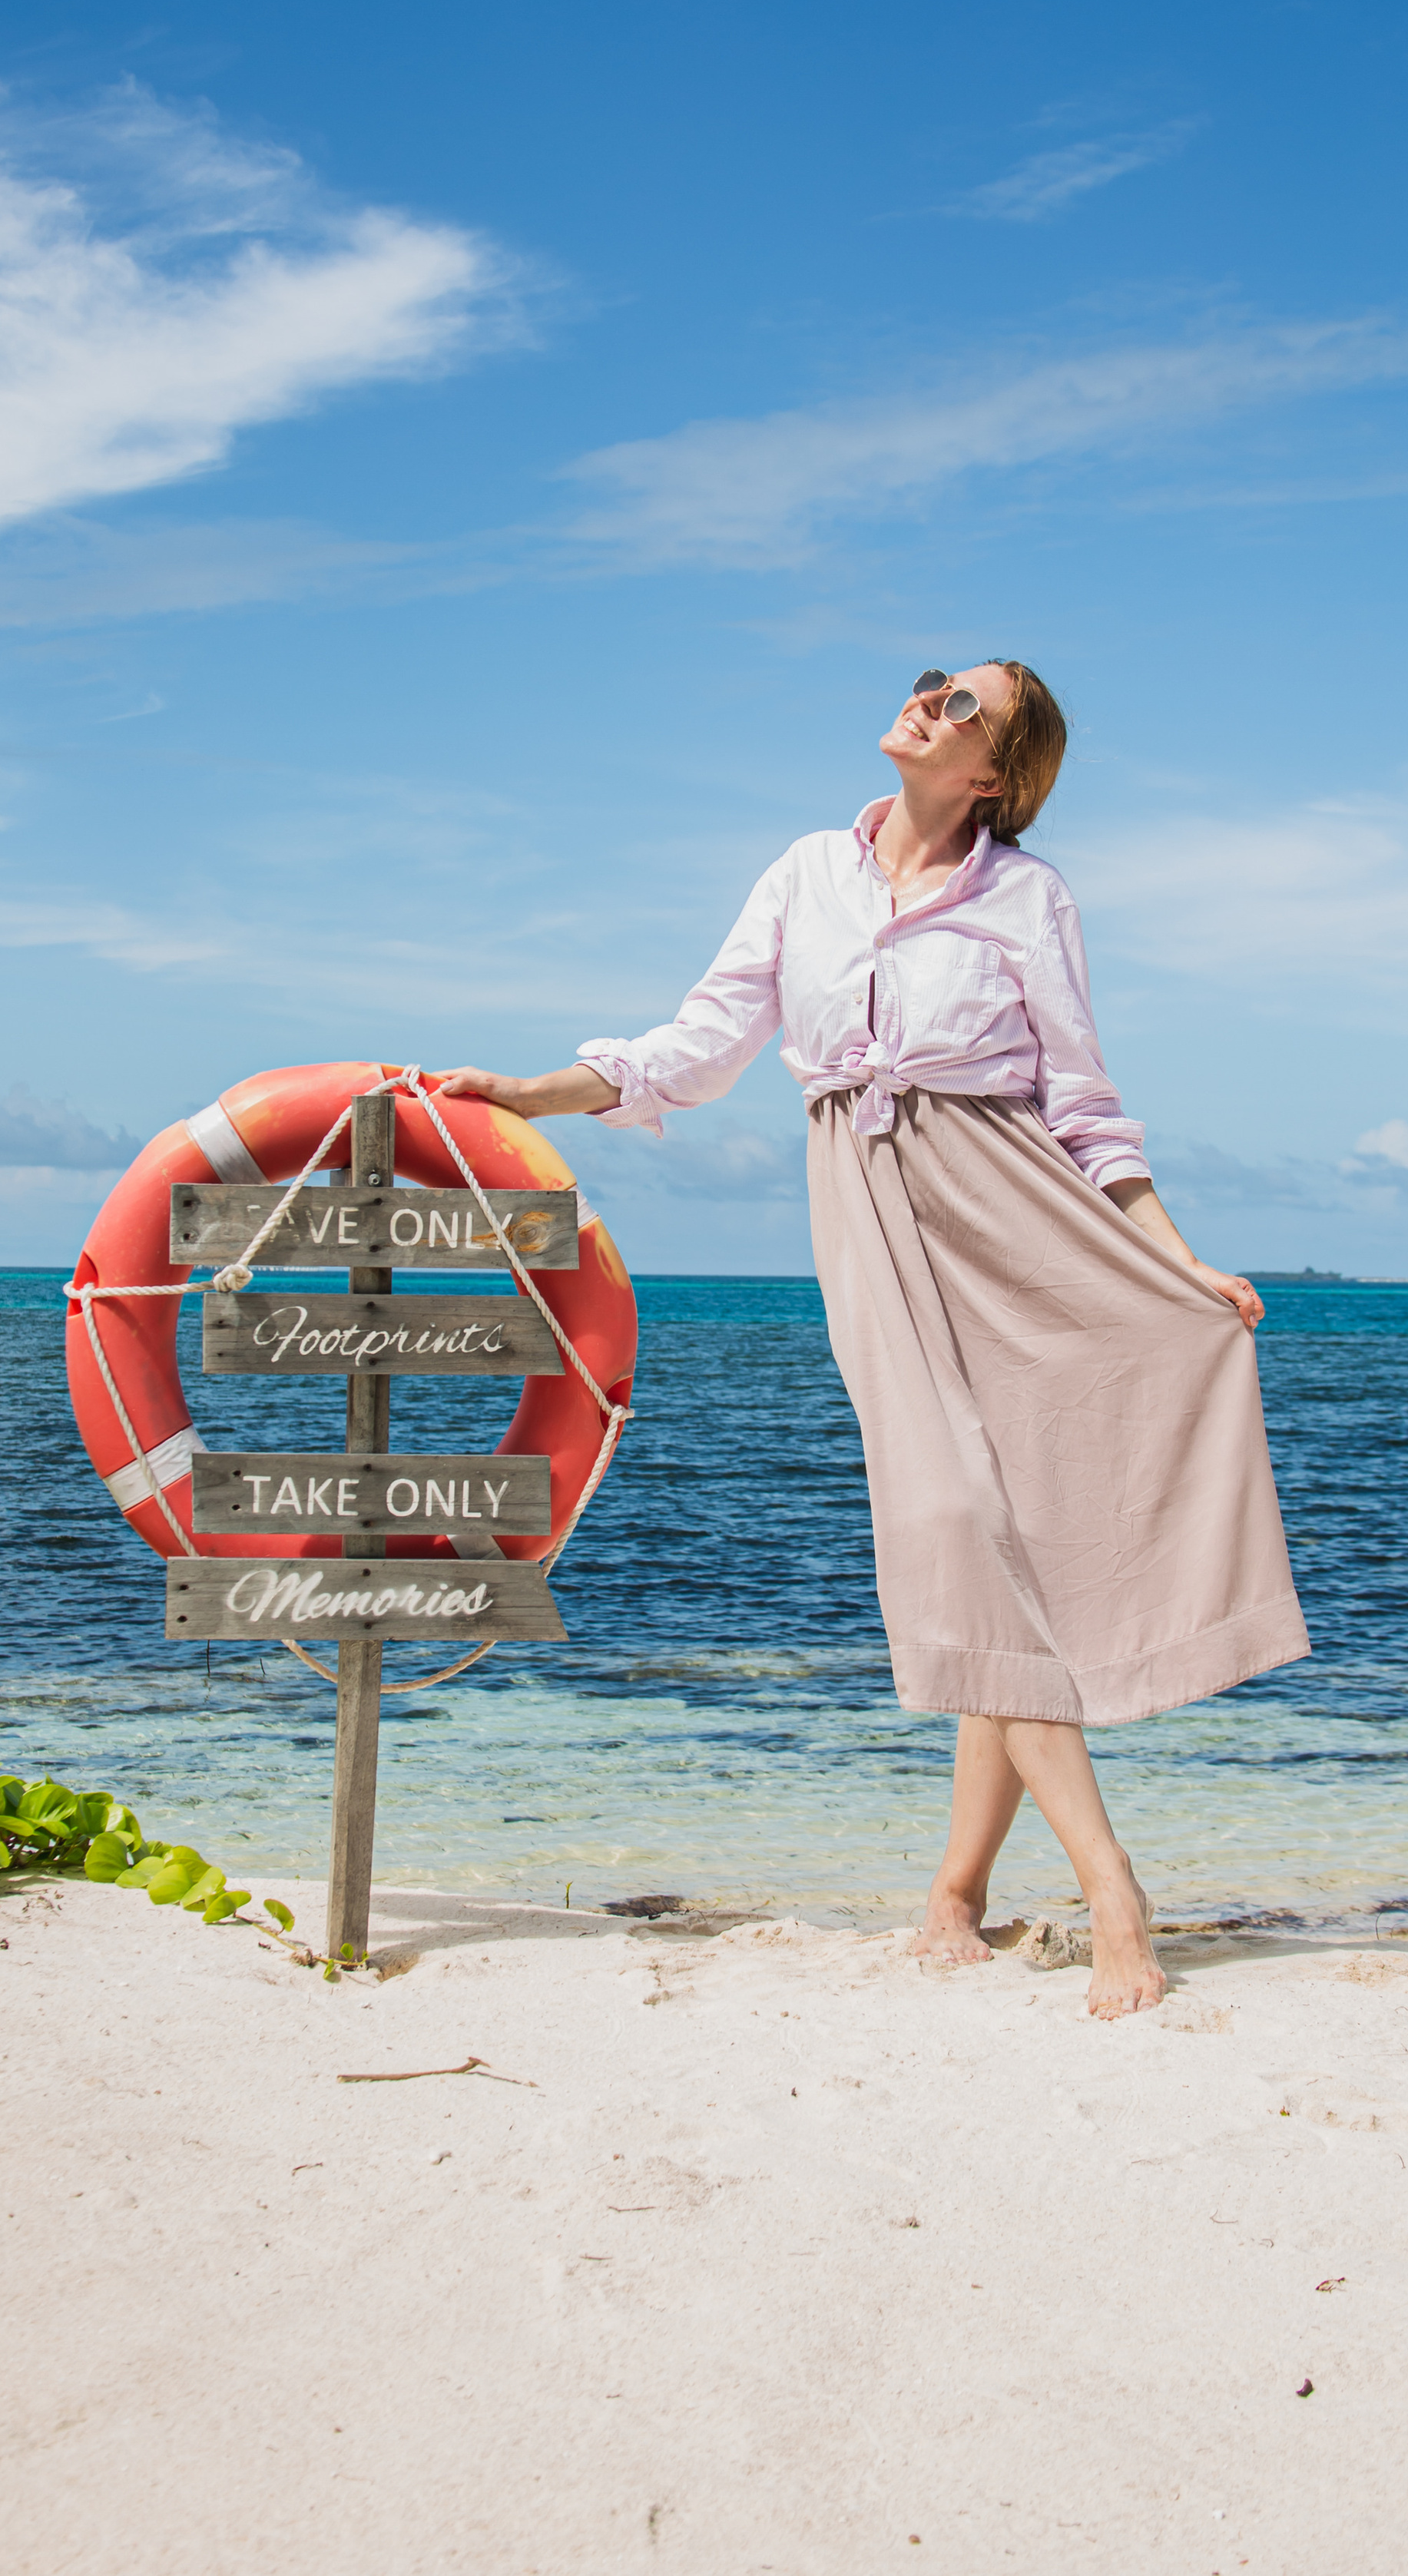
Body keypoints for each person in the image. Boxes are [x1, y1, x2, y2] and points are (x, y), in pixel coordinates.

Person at [440, 663, 1307, 2018]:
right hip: (871, 1213)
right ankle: (1076, 1886)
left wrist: (1175, 1261)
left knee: (997, 1546)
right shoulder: (805, 873)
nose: (928, 705)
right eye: (928, 685)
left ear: (995, 778)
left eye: (963, 707)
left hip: (1018, 1209)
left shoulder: (1029, 895)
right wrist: (532, 1086)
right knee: (960, 1523)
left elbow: (1082, 1100)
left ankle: (996, 1890)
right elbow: (699, 1042)